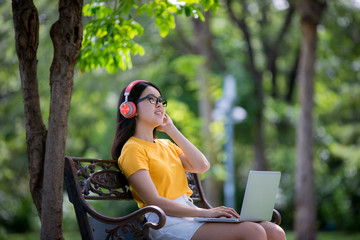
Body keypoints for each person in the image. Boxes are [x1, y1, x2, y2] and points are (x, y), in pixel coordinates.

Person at [111, 80, 286, 240]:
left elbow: (202, 165)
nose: (159, 105)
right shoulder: (132, 149)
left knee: (275, 232)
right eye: (151, 99)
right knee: (252, 231)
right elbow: (154, 202)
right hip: (165, 222)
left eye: (161, 101)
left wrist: (171, 129)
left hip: (191, 216)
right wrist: (206, 212)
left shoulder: (166, 144)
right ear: (130, 108)